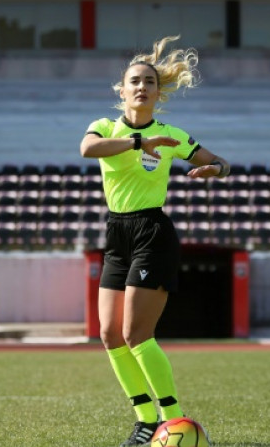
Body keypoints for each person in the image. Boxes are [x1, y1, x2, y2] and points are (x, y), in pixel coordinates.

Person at [80, 35, 229, 446]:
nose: (142, 86)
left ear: (158, 92)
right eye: (135, 81)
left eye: (149, 81)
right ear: (122, 90)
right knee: (109, 334)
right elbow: (88, 148)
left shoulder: (172, 134)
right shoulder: (105, 127)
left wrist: (216, 170)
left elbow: (221, 162)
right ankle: (146, 421)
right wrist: (139, 143)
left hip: (152, 233)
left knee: (136, 334)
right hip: (117, 234)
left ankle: (176, 421)